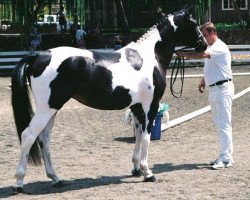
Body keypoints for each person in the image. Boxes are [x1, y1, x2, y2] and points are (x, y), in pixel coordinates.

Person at [177, 22, 234, 170]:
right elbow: (211, 64)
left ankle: (226, 158)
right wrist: (204, 80)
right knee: (219, 124)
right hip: (215, 89)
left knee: (223, 124)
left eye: (205, 35)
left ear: (212, 32)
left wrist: (184, 54)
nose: (203, 38)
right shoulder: (212, 47)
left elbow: (203, 55)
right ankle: (225, 154)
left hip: (222, 89)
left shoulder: (219, 47)